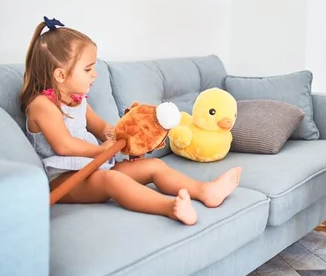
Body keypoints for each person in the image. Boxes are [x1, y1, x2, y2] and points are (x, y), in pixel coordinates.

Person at [20, 17, 242, 225]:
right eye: (88, 69)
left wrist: (126, 137)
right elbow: (64, 145)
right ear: (60, 75)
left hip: (96, 168)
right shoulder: (42, 105)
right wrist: (101, 152)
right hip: (65, 181)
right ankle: (170, 207)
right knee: (112, 181)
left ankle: (205, 191)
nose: (94, 74)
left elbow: (103, 129)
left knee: (154, 166)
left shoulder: (77, 101)